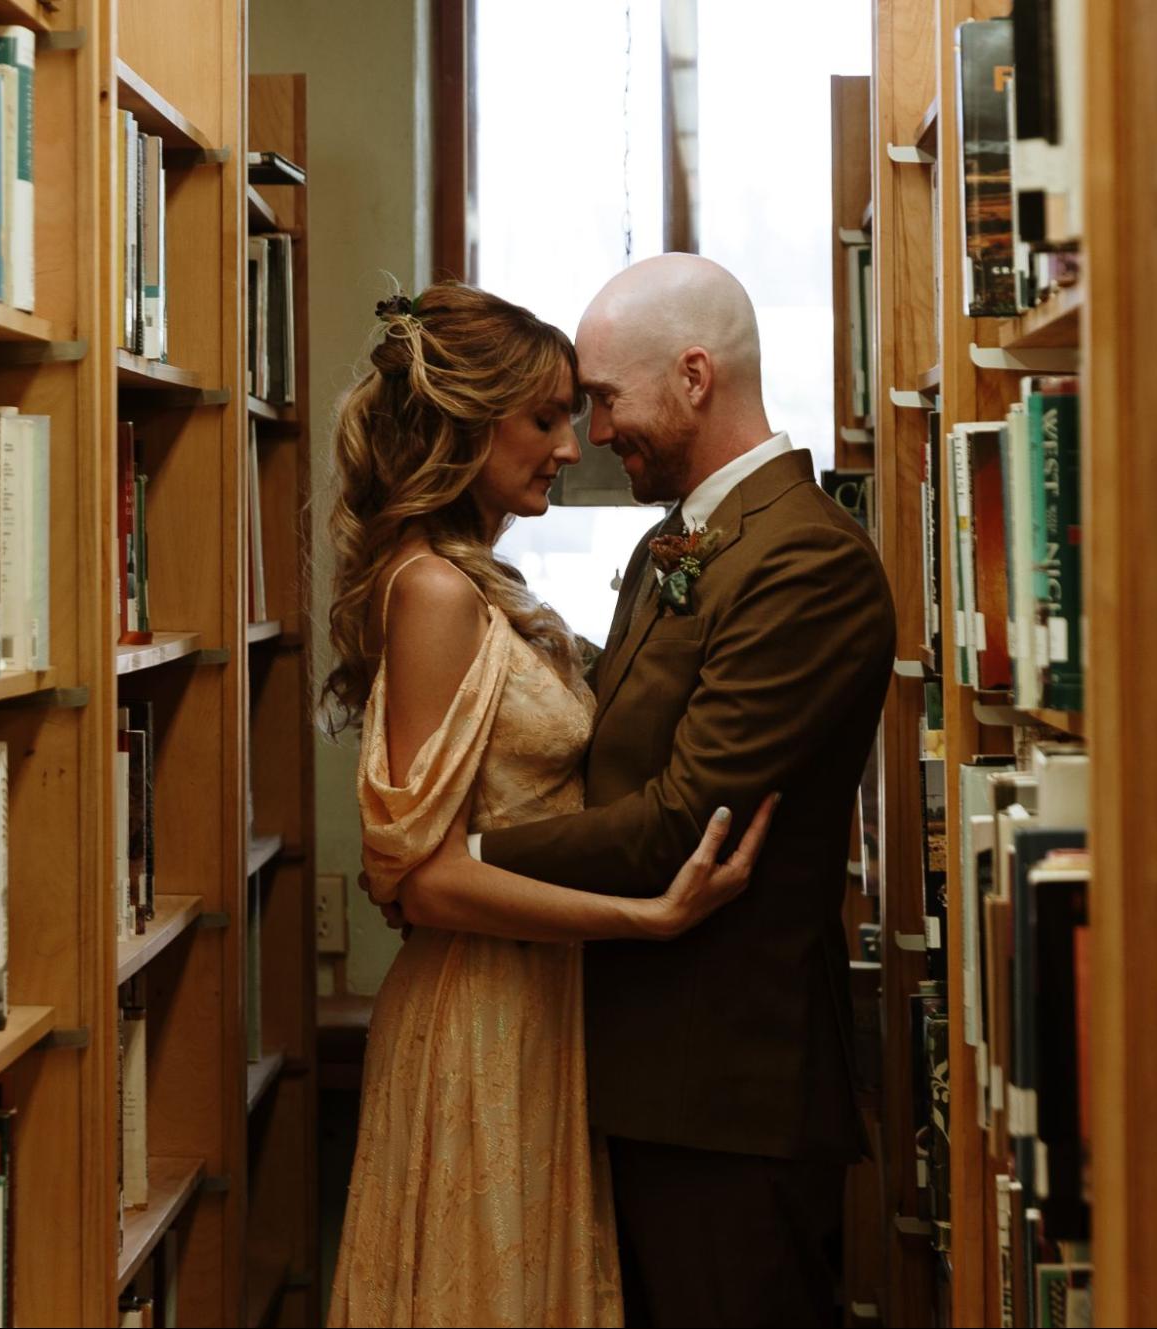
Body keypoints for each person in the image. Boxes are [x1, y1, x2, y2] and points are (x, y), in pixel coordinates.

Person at [322, 282, 777, 1328]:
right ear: (465, 424)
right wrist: (644, 919)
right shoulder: (433, 591)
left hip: (539, 1004)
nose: (573, 448)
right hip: (481, 1014)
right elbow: (423, 880)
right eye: (544, 420)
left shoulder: (474, 580)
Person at [460, 254, 897, 1326]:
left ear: (694, 375)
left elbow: (679, 821)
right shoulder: (682, 541)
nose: (594, 435)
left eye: (605, 400)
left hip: (728, 1095)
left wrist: (461, 862)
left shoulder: (809, 562)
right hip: (648, 1070)